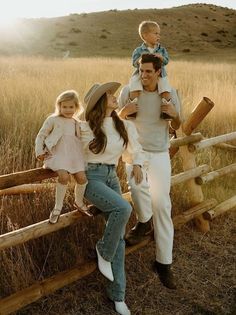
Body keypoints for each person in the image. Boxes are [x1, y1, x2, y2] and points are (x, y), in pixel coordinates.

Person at [80, 82, 144, 315]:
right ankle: (103, 251)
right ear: (99, 102)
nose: (115, 96)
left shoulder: (121, 124)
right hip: (90, 178)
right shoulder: (84, 127)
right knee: (123, 210)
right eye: (109, 95)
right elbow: (60, 143)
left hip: (110, 177)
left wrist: (136, 163)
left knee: (118, 239)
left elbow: (132, 150)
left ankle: (118, 295)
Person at [118, 53, 182, 290]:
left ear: (158, 72)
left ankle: (164, 263)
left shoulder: (170, 93)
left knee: (162, 205)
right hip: (135, 154)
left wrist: (175, 116)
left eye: (148, 71)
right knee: (136, 187)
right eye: (140, 70)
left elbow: (178, 124)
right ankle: (144, 222)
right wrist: (123, 113)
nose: (143, 75)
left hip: (159, 153)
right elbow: (115, 119)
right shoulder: (128, 92)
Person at [35, 90, 91, 224]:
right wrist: (39, 151)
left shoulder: (76, 122)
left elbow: (85, 137)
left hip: (74, 155)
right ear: (59, 106)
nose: (67, 110)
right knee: (64, 176)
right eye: (64, 106)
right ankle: (57, 207)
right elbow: (41, 135)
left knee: (82, 178)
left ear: (76, 107)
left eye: (71, 107)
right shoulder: (53, 119)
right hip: (57, 154)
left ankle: (78, 202)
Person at [128, 20, 172, 120]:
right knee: (134, 85)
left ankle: (166, 111)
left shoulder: (162, 50)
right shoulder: (138, 50)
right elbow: (134, 63)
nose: (158, 36)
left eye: (159, 34)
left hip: (159, 74)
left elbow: (166, 61)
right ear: (145, 36)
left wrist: (161, 58)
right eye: (155, 33)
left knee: (165, 89)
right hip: (141, 74)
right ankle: (132, 110)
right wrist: (140, 60)